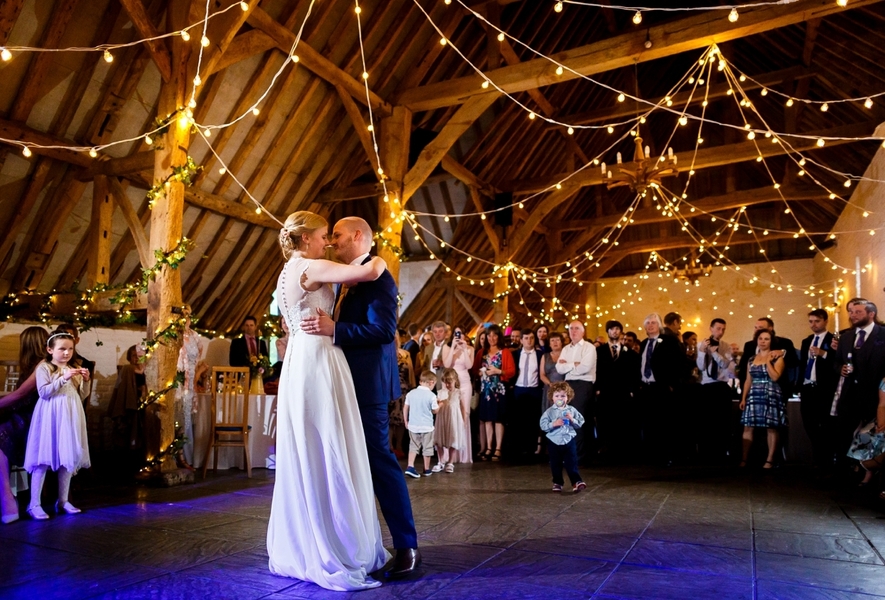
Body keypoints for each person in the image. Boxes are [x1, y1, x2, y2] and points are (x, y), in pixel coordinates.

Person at [266, 211, 396, 590]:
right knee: (328, 446)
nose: (328, 241)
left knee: (315, 448)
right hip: (318, 359)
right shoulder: (309, 266)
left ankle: (317, 536)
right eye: (324, 235)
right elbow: (369, 273)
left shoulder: (288, 271)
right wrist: (380, 255)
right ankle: (336, 542)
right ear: (306, 238)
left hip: (303, 359)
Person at [301, 214, 421, 581]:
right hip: (341, 382)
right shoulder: (349, 277)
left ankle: (407, 545)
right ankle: (358, 542)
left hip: (367, 386)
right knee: (350, 463)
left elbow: (384, 330)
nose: (333, 240)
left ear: (357, 236)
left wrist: (334, 329)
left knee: (379, 461)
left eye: (337, 234)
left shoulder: (378, 276)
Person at [24, 330, 91, 519]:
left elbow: (81, 395)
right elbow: (44, 392)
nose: (67, 353)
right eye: (62, 349)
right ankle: (34, 504)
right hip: (50, 414)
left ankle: (62, 500)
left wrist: (85, 381)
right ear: (50, 349)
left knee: (67, 457)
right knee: (43, 458)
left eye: (70, 349)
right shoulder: (45, 368)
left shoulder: (73, 367)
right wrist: (64, 377)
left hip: (69, 414)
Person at [0, 326, 48, 524]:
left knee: (1, 433)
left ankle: (7, 499)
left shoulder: (43, 365)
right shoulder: (37, 366)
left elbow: (20, 395)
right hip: (29, 416)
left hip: (37, 421)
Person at [833, 299, 885, 474]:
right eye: (851, 312)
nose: (852, 315)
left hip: (875, 394)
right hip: (849, 394)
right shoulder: (846, 336)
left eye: (858, 312)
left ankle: (868, 471)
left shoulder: (882, 334)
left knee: (871, 434)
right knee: (843, 432)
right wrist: (841, 369)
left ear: (871, 314)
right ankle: (845, 470)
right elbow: (837, 361)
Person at [638, 313, 683, 465]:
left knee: (664, 422)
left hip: (662, 387)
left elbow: (676, 363)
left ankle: (666, 455)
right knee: (648, 423)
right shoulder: (644, 343)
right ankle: (651, 455)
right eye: (648, 323)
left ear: (659, 326)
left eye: (653, 323)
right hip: (646, 387)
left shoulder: (669, 341)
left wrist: (671, 384)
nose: (650, 325)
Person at [739, 330, 786, 469]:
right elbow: (748, 380)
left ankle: (770, 460)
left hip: (770, 392)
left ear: (771, 341)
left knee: (771, 428)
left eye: (766, 339)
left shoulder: (778, 357)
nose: (763, 341)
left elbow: (776, 377)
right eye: (760, 338)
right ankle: (744, 459)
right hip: (754, 393)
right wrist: (743, 398)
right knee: (748, 426)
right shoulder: (751, 359)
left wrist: (768, 362)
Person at [798, 309, 838, 470]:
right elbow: (802, 364)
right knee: (809, 424)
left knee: (826, 426)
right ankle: (818, 459)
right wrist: (800, 385)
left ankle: (825, 462)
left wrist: (824, 353)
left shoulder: (833, 339)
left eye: (817, 321)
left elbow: (837, 362)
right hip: (808, 387)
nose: (813, 325)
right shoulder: (807, 341)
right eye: (811, 321)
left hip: (824, 388)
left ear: (825, 321)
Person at [595, 320, 640, 461]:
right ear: (607, 331)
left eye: (617, 329)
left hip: (623, 392)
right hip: (605, 392)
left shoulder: (629, 353)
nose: (614, 331)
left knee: (622, 421)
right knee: (605, 421)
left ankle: (622, 452)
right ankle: (606, 450)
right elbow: (595, 371)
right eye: (611, 329)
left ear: (620, 331)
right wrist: (597, 388)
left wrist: (632, 389)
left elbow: (634, 372)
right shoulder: (599, 351)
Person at [555, 320, 597, 465]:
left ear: (583, 331)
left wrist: (567, 366)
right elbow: (559, 369)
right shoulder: (566, 349)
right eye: (571, 328)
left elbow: (585, 367)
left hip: (583, 384)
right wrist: (574, 364)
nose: (573, 331)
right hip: (569, 384)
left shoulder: (589, 347)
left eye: (577, 328)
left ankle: (580, 456)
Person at [695, 318, 736, 463]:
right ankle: (705, 453)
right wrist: (701, 352)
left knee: (722, 421)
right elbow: (700, 367)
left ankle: (721, 452)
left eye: (723, 329)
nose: (721, 332)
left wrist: (714, 353)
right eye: (718, 328)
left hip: (721, 385)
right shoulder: (701, 344)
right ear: (711, 328)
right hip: (706, 385)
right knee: (706, 420)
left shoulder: (726, 346)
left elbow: (726, 365)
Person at [539, 382, 587, 493]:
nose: (560, 398)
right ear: (552, 398)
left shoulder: (572, 410)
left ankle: (576, 482)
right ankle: (558, 482)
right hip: (554, 441)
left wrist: (572, 420)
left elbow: (580, 422)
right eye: (557, 396)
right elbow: (543, 425)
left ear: (568, 397)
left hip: (568, 440)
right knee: (556, 463)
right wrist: (554, 424)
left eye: (563, 396)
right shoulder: (549, 412)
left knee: (571, 462)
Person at [477, 324, 515, 462]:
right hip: (486, 389)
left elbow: (511, 371)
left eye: (494, 335)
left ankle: (498, 448)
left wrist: (498, 371)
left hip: (500, 389)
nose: (491, 338)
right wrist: (482, 373)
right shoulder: (482, 352)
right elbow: (475, 369)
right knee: (487, 419)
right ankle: (488, 447)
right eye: (489, 335)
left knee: (498, 419)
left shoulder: (505, 352)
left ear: (498, 337)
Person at [106, 345, 147, 467]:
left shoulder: (149, 370)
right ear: (129, 357)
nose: (137, 358)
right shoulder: (127, 370)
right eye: (134, 356)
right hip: (129, 406)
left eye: (140, 356)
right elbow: (121, 390)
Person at [737, 318, 798, 398]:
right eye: (755, 327)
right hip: (752, 391)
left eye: (760, 328)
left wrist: (783, 353)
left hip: (777, 390)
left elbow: (794, 362)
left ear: (770, 328)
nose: (757, 330)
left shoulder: (783, 342)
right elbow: (743, 369)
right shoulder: (749, 345)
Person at [442, 324, 474, 463]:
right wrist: (453, 349)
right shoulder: (446, 347)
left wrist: (464, 349)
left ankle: (464, 453)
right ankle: (451, 454)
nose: (458, 336)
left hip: (465, 383)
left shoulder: (470, 348)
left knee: (464, 414)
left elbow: (469, 365)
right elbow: (447, 364)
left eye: (460, 333)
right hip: (451, 383)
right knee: (451, 413)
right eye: (456, 333)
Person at [403, 371, 440, 478]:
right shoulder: (431, 395)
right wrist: (440, 405)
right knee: (427, 447)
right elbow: (434, 411)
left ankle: (410, 466)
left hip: (413, 425)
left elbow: (406, 407)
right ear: (431, 382)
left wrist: (406, 421)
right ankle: (426, 469)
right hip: (426, 427)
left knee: (413, 446)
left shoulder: (411, 393)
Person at [538, 332, 566, 454]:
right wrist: (550, 384)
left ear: (561, 342)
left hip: (564, 391)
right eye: (552, 340)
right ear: (549, 343)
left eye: (557, 340)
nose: (555, 342)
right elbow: (542, 374)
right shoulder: (545, 356)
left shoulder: (567, 355)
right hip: (549, 391)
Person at [433, 369, 465, 472]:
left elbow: (463, 407)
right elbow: (436, 406)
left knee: (453, 440)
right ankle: (441, 461)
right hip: (442, 419)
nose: (447, 385)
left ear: (455, 380)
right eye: (445, 382)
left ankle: (450, 462)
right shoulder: (441, 393)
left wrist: (463, 421)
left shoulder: (458, 392)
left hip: (454, 419)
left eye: (449, 382)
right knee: (439, 440)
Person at [391, 330, 414, 459]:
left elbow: (410, 372)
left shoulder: (406, 354)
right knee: (390, 419)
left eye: (396, 336)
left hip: (403, 388)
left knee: (401, 419)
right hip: (389, 388)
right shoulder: (385, 352)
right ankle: (390, 446)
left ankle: (399, 446)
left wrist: (413, 387)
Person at [423, 321, 450, 389]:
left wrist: (442, 363)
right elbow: (425, 366)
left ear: (445, 333)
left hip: (444, 383)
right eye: (435, 332)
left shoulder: (450, 346)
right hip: (430, 383)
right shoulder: (428, 348)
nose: (437, 334)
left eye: (440, 331)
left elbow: (455, 364)